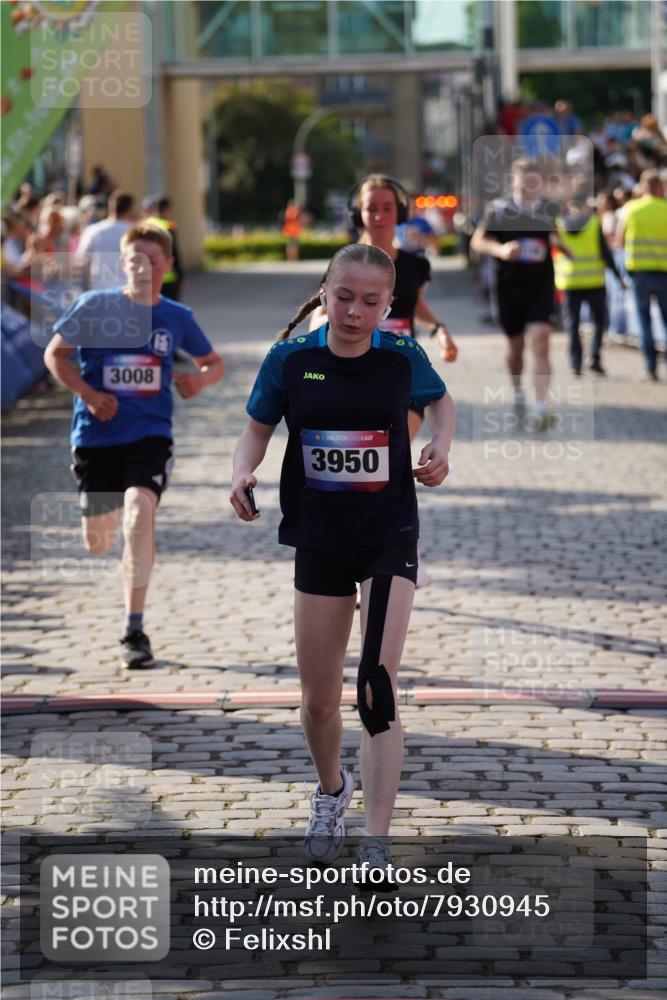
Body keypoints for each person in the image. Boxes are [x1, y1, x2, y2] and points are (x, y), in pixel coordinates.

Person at [230, 243, 455, 873]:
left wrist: (441, 442)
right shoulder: (291, 358)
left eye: (371, 302)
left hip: (389, 532)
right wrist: (243, 474)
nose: (355, 313)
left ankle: (377, 843)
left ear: (389, 305)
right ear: (324, 295)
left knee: (375, 687)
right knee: (320, 701)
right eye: (344, 298)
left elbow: (440, 399)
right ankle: (332, 790)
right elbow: (255, 428)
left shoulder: (402, 354)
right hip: (320, 537)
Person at [44, 224, 224, 667]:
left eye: (151, 259)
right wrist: (88, 393)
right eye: (133, 259)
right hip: (95, 437)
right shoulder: (95, 305)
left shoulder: (177, 317)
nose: (142, 267)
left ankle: (133, 628)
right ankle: (119, 554)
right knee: (97, 542)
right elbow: (55, 354)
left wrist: (199, 381)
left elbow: (214, 363)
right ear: (123, 264)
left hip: (150, 435)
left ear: (166, 265)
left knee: (140, 511)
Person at [306, 174, 458, 587]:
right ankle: (354, 550)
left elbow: (416, 304)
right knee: (360, 468)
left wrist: (439, 329)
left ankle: (403, 550)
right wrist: (317, 326)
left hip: (399, 377)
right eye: (371, 208)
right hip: (350, 377)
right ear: (359, 212)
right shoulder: (346, 262)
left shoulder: (412, 263)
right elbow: (324, 308)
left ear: (400, 211)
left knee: (391, 452)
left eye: (387, 207)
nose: (379, 215)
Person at [470, 157, 567, 430]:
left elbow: (555, 237)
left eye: (534, 180)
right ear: (514, 181)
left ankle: (541, 406)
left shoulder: (548, 210)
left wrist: (563, 246)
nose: (529, 185)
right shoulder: (499, 210)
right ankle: (518, 391)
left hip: (540, 286)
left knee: (542, 340)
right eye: (524, 179)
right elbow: (479, 241)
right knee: (516, 349)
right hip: (509, 288)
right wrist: (501, 250)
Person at [555, 195, 625, 376]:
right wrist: (619, 277)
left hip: (569, 282)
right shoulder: (593, 224)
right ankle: (594, 358)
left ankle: (576, 364)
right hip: (594, 282)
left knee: (573, 325)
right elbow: (605, 253)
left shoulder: (559, 225)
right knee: (598, 322)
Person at [616, 169, 667, 380]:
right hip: (664, 274)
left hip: (640, 275)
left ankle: (650, 368)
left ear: (643, 187)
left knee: (644, 322)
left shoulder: (630, 209)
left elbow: (619, 241)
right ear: (660, 187)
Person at [76, 189, 135, 290]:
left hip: (99, 290)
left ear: (110, 207)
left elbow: (82, 261)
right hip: (128, 290)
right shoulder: (135, 232)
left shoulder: (93, 230)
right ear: (130, 209)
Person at [145, 196, 184, 301]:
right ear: (167, 209)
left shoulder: (145, 224)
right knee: (170, 310)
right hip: (167, 276)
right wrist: (181, 276)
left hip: (148, 275)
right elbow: (174, 251)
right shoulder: (168, 226)